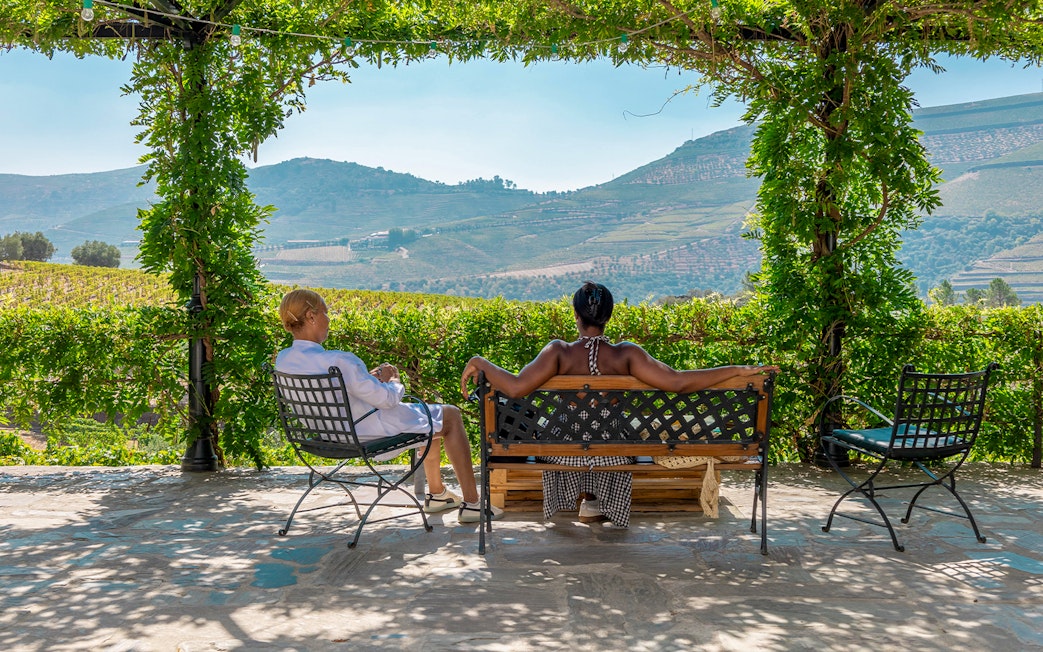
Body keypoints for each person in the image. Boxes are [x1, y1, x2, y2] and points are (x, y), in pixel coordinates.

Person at [460, 281, 778, 527]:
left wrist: (479, 361)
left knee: (564, 431)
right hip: (614, 454)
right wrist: (737, 370)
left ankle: (587, 501)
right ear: (609, 317)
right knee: (616, 433)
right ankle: (596, 503)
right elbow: (679, 382)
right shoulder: (627, 354)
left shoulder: (558, 352)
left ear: (576, 316)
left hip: (561, 453)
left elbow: (515, 388)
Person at [276, 289, 502, 524]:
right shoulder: (339, 360)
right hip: (366, 432)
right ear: (312, 316)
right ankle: (474, 504)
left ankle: (437, 495)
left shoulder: (284, 359)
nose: (329, 319)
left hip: (327, 435)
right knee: (450, 416)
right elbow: (387, 400)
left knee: (428, 416)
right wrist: (394, 381)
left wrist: (368, 378)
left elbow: (337, 392)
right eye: (325, 313)